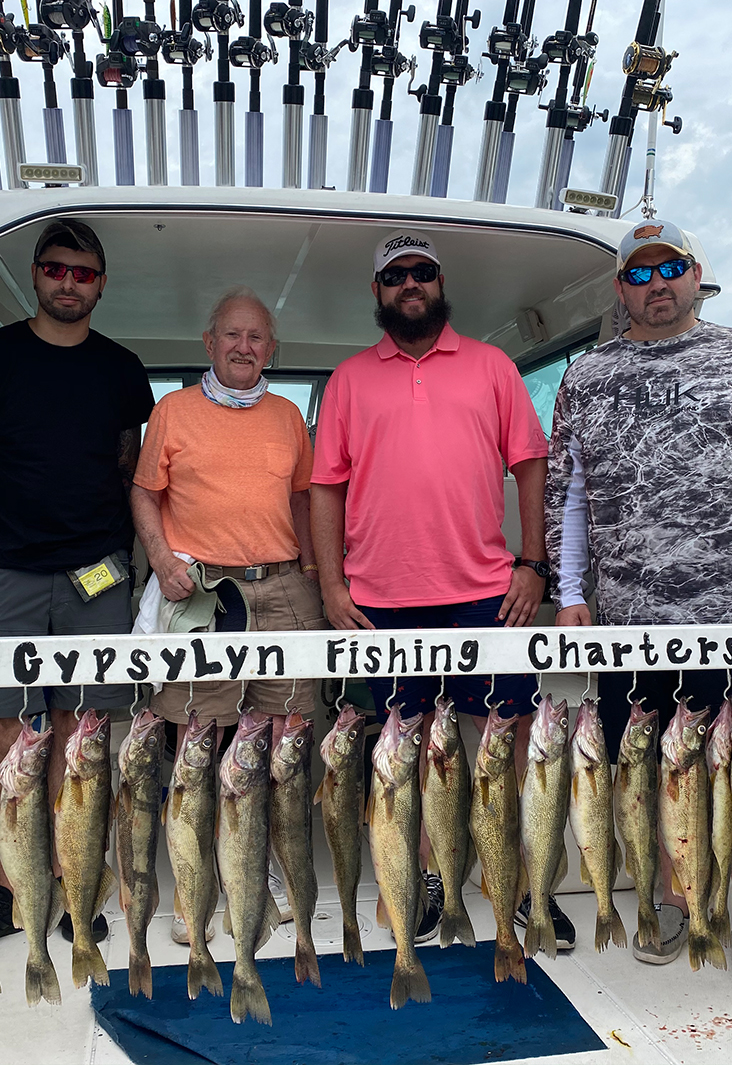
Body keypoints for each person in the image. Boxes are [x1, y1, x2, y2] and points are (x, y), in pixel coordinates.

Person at [545, 219, 732, 1009]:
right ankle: (673, 900)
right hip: (628, 626)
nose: (657, 285)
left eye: (671, 268)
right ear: (620, 289)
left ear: (696, 275)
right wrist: (572, 597)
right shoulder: (585, 378)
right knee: (647, 773)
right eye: (640, 274)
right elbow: (567, 497)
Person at [310, 229, 566, 946]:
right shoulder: (349, 380)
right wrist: (333, 586)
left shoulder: (492, 368)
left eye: (422, 273)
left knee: (507, 736)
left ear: (440, 282)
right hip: (380, 601)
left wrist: (533, 563)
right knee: (409, 746)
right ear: (378, 292)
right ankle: (423, 876)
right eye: (396, 276)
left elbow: (531, 467)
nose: (410, 285)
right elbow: (325, 489)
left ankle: (515, 878)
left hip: (488, 591)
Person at [0, 219, 155, 961]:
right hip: (6, 573)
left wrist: (131, 565)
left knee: (83, 737)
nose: (69, 283)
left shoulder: (121, 369)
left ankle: (70, 880)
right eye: (56, 269)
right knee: (4, 734)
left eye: (83, 273)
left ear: (101, 284)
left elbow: (126, 469)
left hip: (97, 574)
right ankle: (11, 895)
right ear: (37, 274)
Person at [130, 285, 326, 940]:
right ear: (209, 344)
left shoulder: (288, 418)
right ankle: (199, 887)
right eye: (232, 336)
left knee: (282, 737)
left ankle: (268, 872)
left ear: (272, 350)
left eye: (257, 338)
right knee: (199, 739)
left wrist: (313, 575)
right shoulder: (173, 412)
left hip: (281, 586)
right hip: (204, 594)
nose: (244, 347)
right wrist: (160, 558)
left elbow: (303, 501)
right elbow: (144, 493)